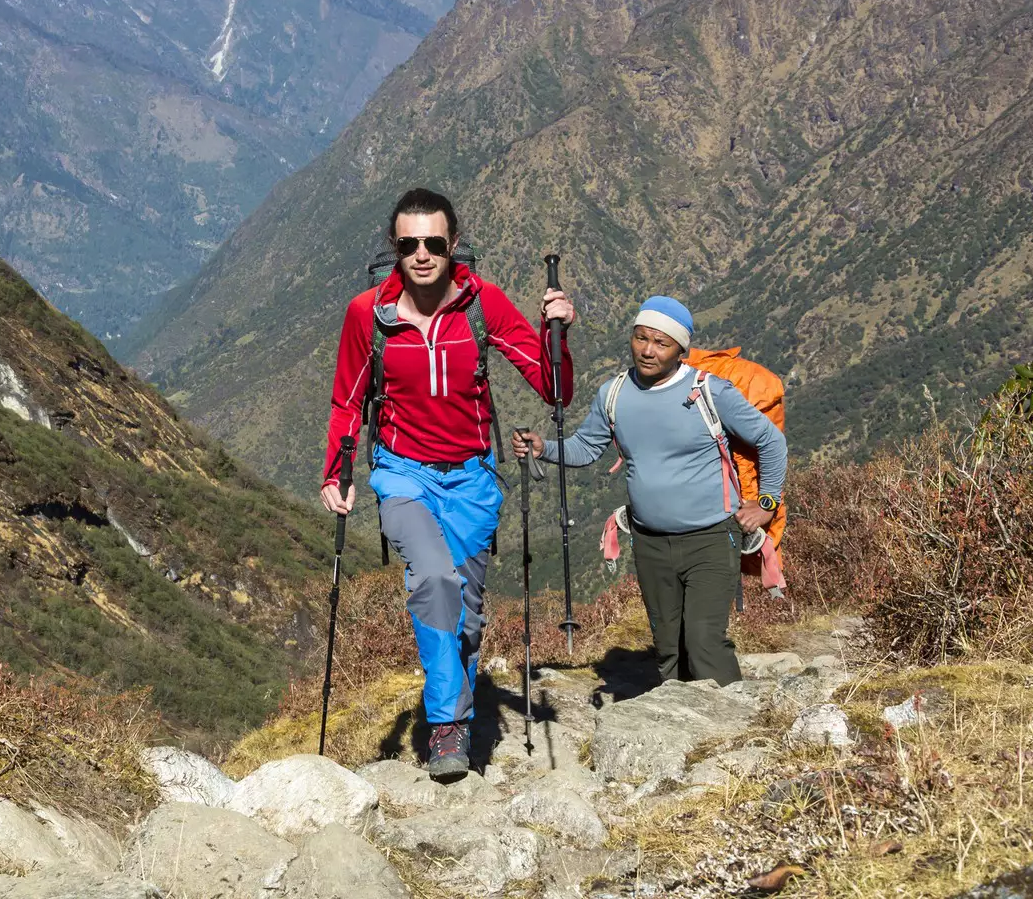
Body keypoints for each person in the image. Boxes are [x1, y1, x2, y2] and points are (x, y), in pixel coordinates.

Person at [322, 187, 572, 779]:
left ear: (453, 243)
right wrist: (337, 473)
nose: (422, 254)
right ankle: (447, 728)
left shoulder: (482, 305)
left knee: (466, 619)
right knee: (434, 580)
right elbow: (347, 401)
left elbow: (554, 389)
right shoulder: (369, 315)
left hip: (472, 482)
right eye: (409, 244)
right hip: (402, 473)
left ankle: (455, 700)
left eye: (434, 242)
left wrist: (556, 333)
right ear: (395, 247)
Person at [512, 295, 786, 687]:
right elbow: (586, 448)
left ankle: (729, 731)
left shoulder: (710, 392)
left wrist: (766, 503)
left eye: (661, 343)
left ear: (680, 350)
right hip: (650, 541)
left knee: (705, 641)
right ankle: (683, 738)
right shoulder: (614, 394)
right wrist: (546, 449)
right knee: (668, 646)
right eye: (641, 338)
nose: (647, 350)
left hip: (711, 536)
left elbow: (771, 442)